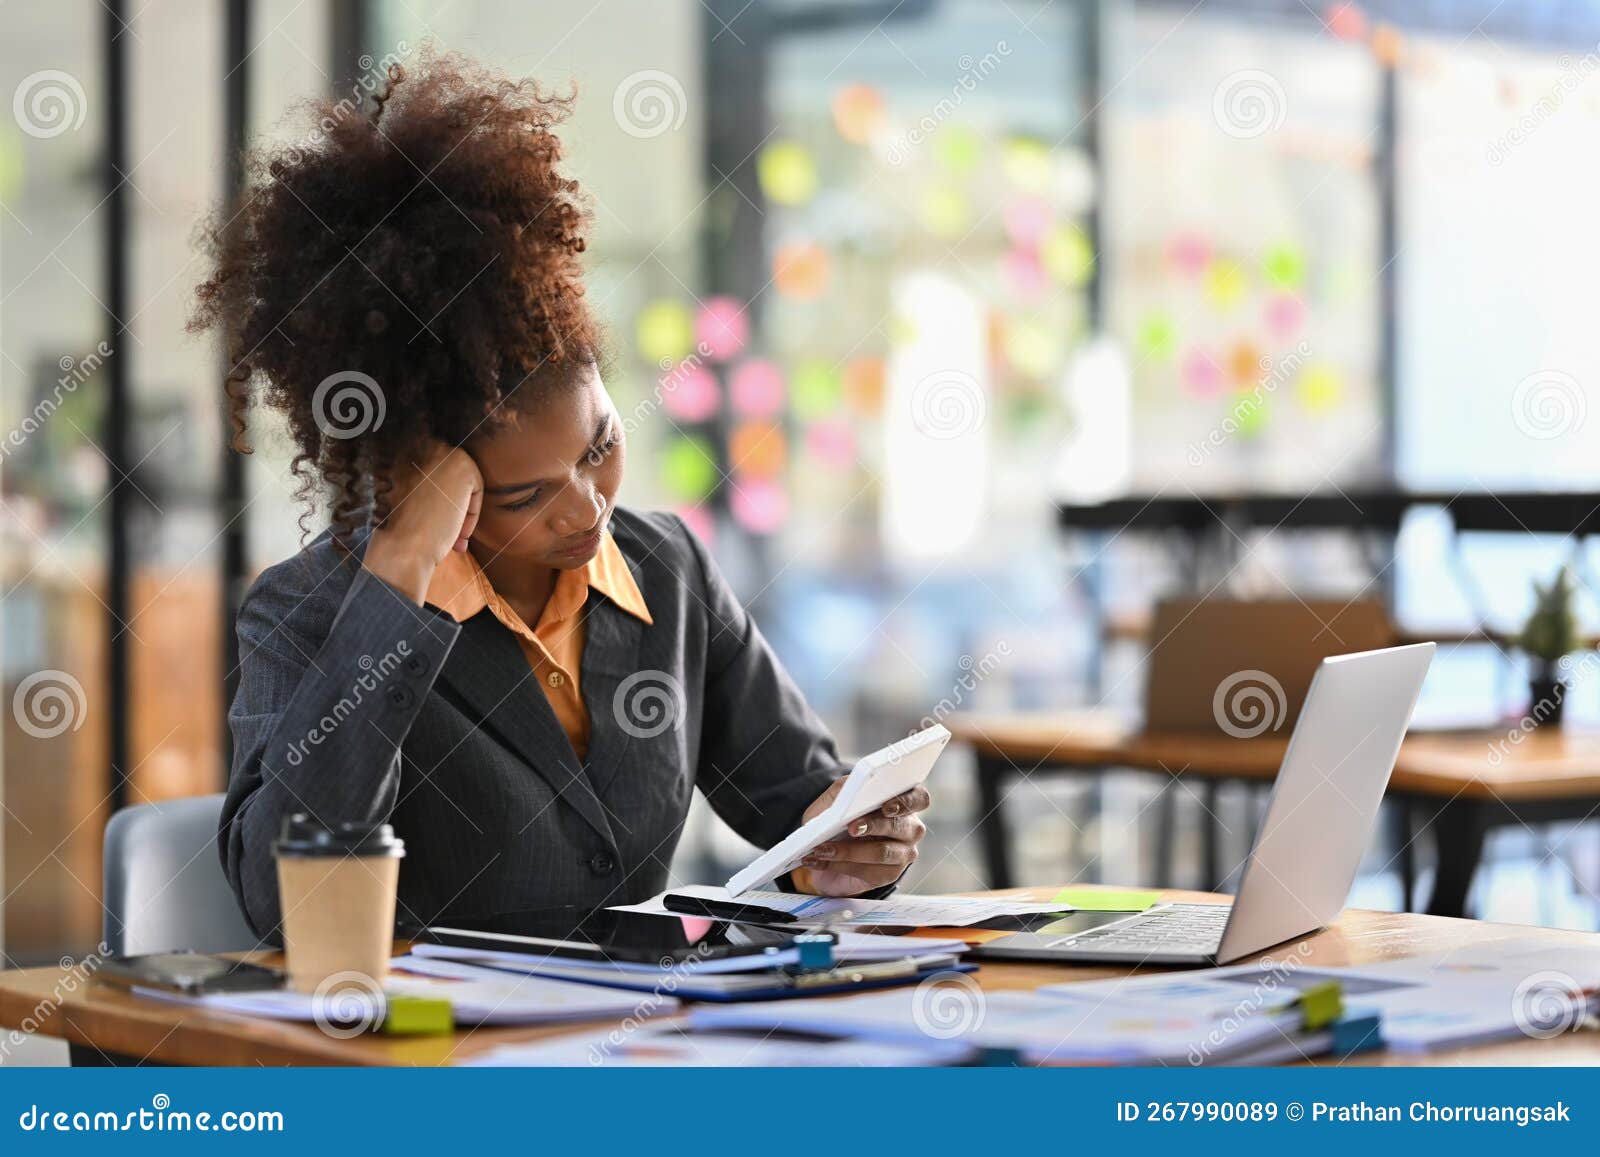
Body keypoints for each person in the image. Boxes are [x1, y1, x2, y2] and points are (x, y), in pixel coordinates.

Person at [191, 51, 930, 940]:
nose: (585, 509)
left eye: (602, 446)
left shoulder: (667, 571)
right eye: (524, 493)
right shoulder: (310, 611)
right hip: (433, 1061)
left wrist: (856, 844)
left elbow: (801, 804)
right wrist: (395, 575)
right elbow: (287, 902)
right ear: (416, 475)